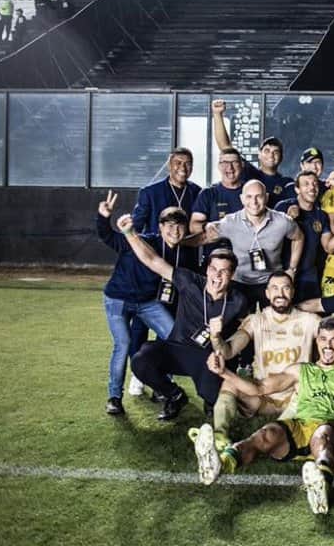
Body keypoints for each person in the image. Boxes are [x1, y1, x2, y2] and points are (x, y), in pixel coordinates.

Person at [194, 316, 334, 514]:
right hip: (298, 425)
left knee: (321, 435)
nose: (328, 346)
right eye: (324, 340)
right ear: (317, 341)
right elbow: (260, 388)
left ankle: (322, 488)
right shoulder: (300, 370)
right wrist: (225, 373)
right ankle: (220, 464)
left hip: (333, 426)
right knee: (266, 434)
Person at [117, 217, 250, 421]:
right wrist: (129, 233)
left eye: (224, 271)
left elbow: (241, 335)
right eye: (213, 269)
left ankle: (209, 397)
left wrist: (225, 357)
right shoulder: (191, 282)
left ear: (232, 275)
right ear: (207, 270)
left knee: (216, 400)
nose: (217, 276)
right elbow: (153, 261)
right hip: (177, 348)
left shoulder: (238, 301)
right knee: (141, 360)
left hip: (207, 356)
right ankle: (175, 396)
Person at [200, 271, 321, 458]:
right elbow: (228, 350)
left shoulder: (309, 320)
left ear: (293, 292)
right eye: (275, 288)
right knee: (230, 382)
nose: (280, 293)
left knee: (309, 387)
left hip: (297, 396)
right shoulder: (256, 320)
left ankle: (282, 433)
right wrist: (216, 338)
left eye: (285, 288)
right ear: (266, 293)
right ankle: (219, 437)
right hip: (263, 396)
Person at [95, 193, 194, 415]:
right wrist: (103, 217)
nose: (174, 231)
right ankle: (114, 397)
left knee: (172, 337)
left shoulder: (185, 252)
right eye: (168, 226)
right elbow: (109, 237)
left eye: (179, 226)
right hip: (118, 300)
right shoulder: (141, 241)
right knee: (123, 344)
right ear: (160, 227)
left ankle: (165, 390)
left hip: (148, 302)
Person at [193, 179, 303, 311]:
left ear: (266, 197)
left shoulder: (282, 221)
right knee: (236, 326)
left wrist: (292, 269)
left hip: (270, 282)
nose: (254, 202)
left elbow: (299, 237)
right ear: (242, 199)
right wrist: (179, 241)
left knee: (271, 325)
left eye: (259, 196)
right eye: (249, 197)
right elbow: (204, 238)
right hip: (239, 282)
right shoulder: (230, 222)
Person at [211, 100, 292, 207]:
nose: (271, 155)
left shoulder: (286, 183)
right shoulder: (249, 173)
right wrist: (217, 115)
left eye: (276, 152)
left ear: (281, 157)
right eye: (267, 151)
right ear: (259, 154)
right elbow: (226, 148)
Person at [276, 171, 334, 301]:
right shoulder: (283, 207)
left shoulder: (321, 215)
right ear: (297, 189)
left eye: (315, 184)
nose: (312, 188)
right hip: (284, 273)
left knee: (311, 317)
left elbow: (328, 247)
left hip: (309, 276)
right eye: (306, 184)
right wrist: (287, 218)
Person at [132, 147, 202, 233]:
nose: (183, 168)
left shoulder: (198, 192)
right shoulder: (150, 193)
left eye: (187, 164)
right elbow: (136, 227)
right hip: (157, 245)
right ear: (169, 165)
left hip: (188, 245)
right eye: (178, 163)